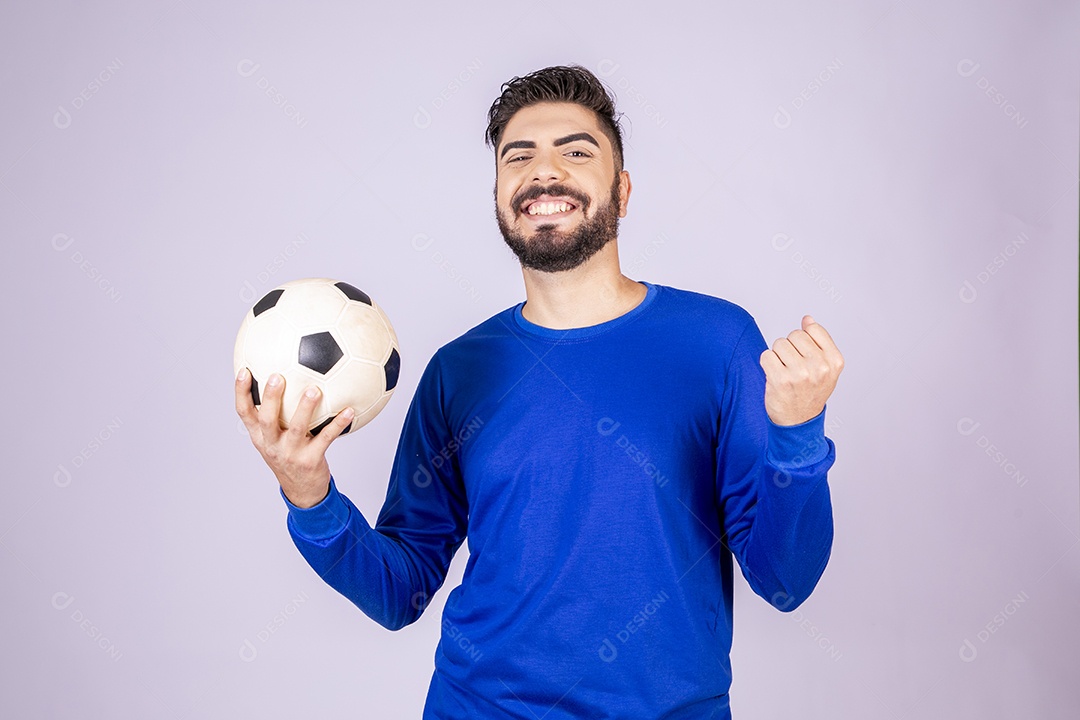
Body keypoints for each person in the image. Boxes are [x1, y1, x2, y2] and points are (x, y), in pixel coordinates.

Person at [235, 64, 844, 720]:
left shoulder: (718, 342)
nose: (545, 171)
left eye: (576, 151)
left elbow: (786, 582)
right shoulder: (458, 370)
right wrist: (308, 495)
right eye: (518, 156)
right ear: (500, 193)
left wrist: (798, 435)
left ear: (624, 189)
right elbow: (398, 593)